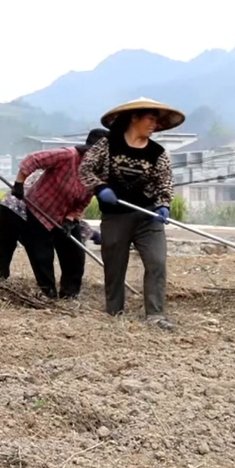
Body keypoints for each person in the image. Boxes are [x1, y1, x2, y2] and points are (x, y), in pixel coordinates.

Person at [78, 97, 183, 330]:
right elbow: (85, 169)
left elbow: (165, 183)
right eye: (150, 118)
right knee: (115, 265)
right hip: (116, 216)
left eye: (156, 120)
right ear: (134, 117)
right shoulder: (107, 145)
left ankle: (155, 314)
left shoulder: (157, 153)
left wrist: (164, 204)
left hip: (147, 216)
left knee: (157, 262)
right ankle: (114, 312)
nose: (153, 124)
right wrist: (100, 188)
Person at [0, 128, 109, 299]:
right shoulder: (67, 155)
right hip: (33, 206)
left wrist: (70, 220)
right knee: (41, 252)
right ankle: (45, 292)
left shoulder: (98, 174)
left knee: (74, 252)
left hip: (62, 213)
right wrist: (19, 183)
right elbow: (32, 159)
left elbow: (83, 201)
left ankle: (69, 294)